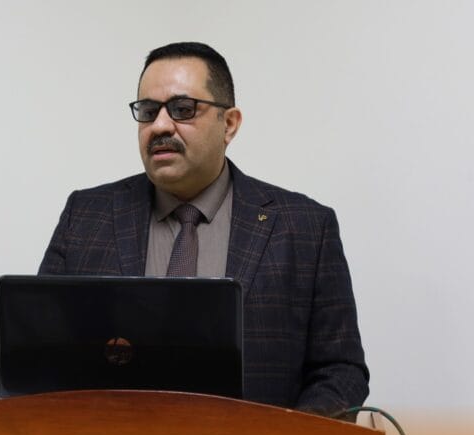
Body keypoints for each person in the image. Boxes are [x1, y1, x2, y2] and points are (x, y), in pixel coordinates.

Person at [38, 42, 368, 416]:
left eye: (183, 109)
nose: (160, 126)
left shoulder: (306, 228)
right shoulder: (86, 217)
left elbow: (341, 372)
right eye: (148, 111)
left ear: (229, 124)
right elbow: (40, 355)